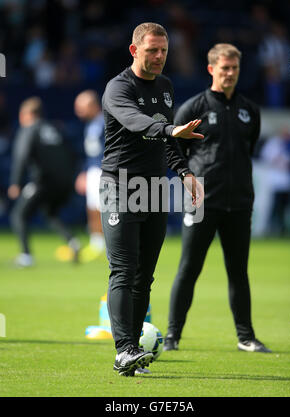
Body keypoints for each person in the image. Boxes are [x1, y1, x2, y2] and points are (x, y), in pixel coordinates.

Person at [100, 22, 204, 376]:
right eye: (152, 50)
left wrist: (185, 173)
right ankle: (124, 348)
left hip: (155, 190)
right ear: (134, 51)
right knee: (124, 271)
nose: (159, 57)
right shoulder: (118, 88)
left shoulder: (166, 87)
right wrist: (167, 128)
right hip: (120, 187)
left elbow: (167, 139)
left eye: (164, 51)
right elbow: (134, 122)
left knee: (145, 277)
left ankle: (129, 356)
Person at [164, 43, 272, 353]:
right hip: (201, 204)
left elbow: (247, 150)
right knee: (189, 269)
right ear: (211, 69)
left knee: (238, 271)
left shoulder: (250, 110)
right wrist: (186, 175)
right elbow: (172, 148)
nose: (230, 74)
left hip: (239, 203)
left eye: (234, 68)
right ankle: (172, 337)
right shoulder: (193, 108)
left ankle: (246, 337)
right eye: (224, 68)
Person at [8, 97, 80, 267]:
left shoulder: (29, 129)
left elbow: (21, 156)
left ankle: (26, 256)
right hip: (63, 183)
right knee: (50, 213)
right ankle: (72, 241)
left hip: (42, 182)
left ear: (27, 114)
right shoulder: (55, 128)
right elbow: (72, 154)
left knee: (18, 215)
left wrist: (16, 183)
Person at [73, 90, 106, 262]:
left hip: (104, 171)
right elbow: (91, 152)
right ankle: (96, 242)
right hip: (93, 170)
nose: (79, 111)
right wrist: (85, 172)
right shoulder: (90, 125)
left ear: (93, 105)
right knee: (93, 206)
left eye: (81, 107)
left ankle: (107, 243)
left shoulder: (105, 123)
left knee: (103, 207)